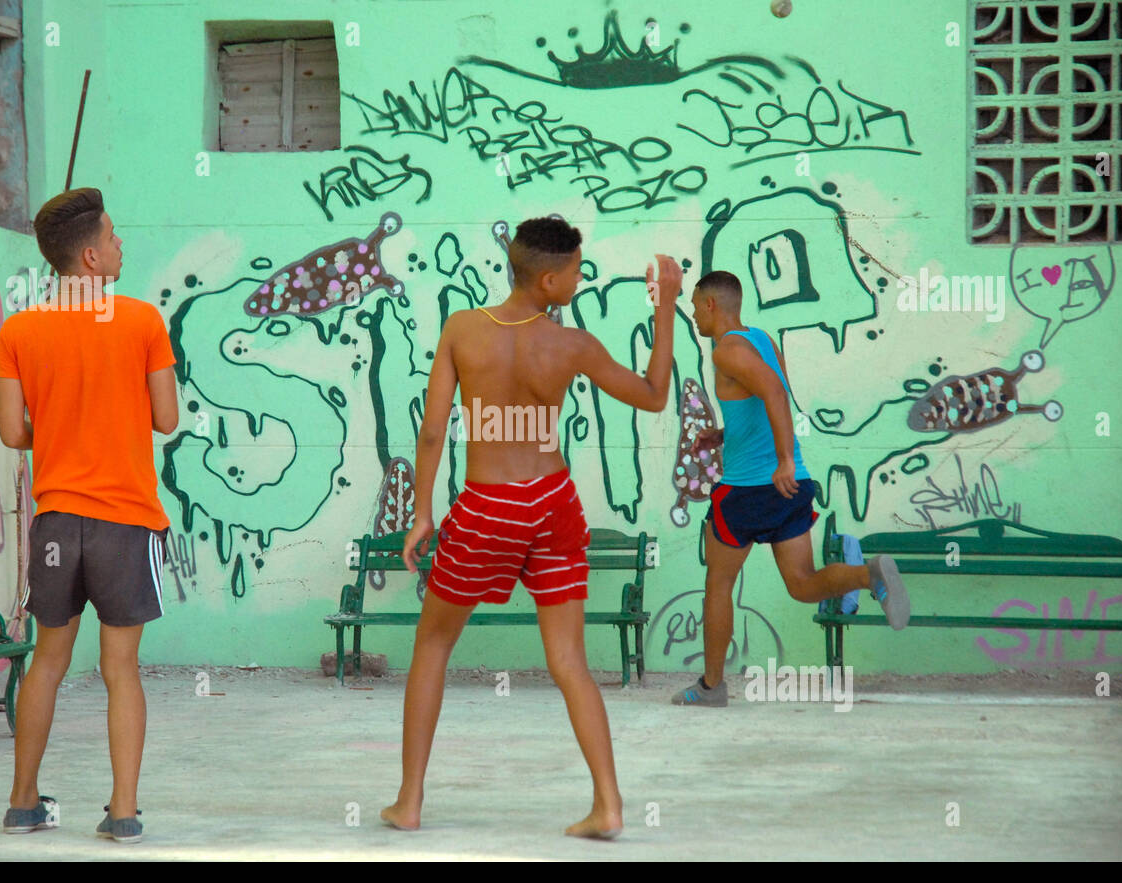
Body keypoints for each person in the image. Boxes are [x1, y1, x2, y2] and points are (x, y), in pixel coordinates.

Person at [380, 217, 682, 838]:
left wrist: (422, 512)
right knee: (569, 658)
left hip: (487, 506)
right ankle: (609, 806)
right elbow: (654, 395)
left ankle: (409, 803)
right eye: (575, 269)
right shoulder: (572, 346)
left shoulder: (463, 329)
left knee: (433, 644)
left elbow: (433, 430)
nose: (581, 276)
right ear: (549, 279)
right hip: (550, 501)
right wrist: (667, 307)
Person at [0, 187, 178, 841]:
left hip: (56, 521)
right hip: (125, 520)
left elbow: (13, 433)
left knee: (47, 661)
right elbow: (166, 419)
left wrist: (62, 418)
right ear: (93, 256)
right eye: (117, 235)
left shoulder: (19, 330)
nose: (123, 243)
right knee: (119, 670)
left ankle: (22, 804)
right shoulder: (141, 322)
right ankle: (123, 813)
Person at [672, 270, 909, 708]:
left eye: (693, 304)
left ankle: (711, 687)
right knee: (801, 584)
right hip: (789, 484)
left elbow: (776, 396)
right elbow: (762, 400)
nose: (691, 313)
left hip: (747, 490)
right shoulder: (761, 338)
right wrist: (724, 435)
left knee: (719, 585)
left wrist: (780, 458)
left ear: (710, 304)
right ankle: (868, 574)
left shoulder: (726, 350)